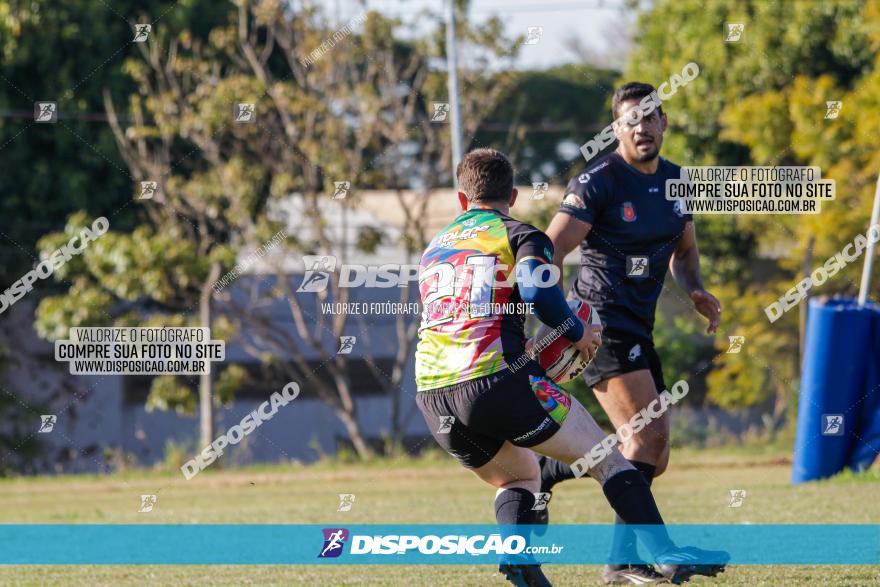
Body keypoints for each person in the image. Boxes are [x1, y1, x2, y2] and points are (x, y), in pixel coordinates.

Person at [415, 148, 727, 586]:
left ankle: (521, 563)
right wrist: (574, 332)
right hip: (493, 379)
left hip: (432, 396)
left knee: (521, 477)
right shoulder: (521, 235)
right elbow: (538, 293)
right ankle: (668, 555)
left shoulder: (433, 250)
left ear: (462, 201)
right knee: (609, 459)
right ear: (514, 195)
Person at [537, 82, 722, 584]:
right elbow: (548, 250)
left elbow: (683, 250)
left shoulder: (679, 182)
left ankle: (542, 474)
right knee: (644, 438)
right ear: (616, 128)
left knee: (652, 456)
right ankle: (626, 564)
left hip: (641, 328)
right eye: (631, 121)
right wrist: (564, 319)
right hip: (600, 326)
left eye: (650, 118)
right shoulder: (599, 182)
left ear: (664, 123)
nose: (642, 128)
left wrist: (698, 289)